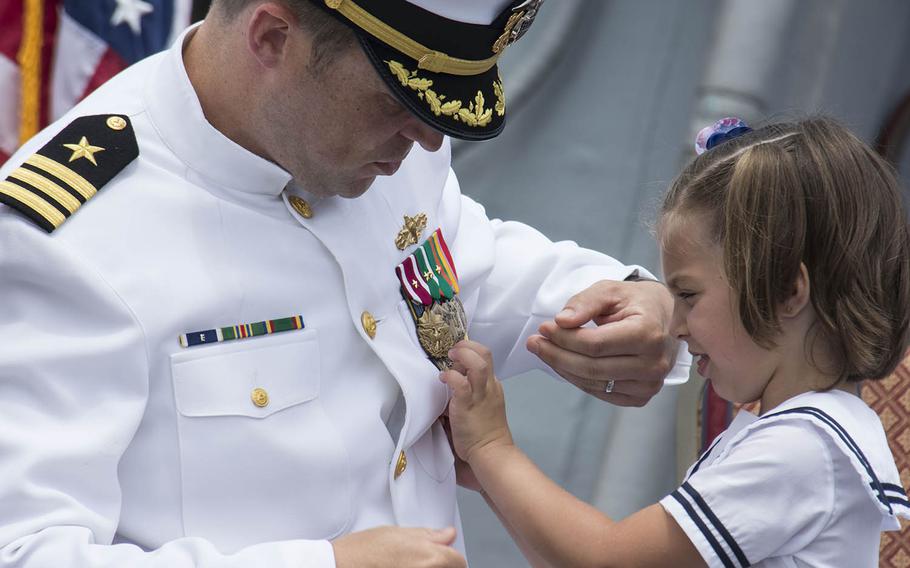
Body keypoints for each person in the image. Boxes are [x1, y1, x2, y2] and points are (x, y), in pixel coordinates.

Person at [0, 1, 689, 566]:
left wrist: (613, 295)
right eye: (396, 101)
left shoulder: (373, 144)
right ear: (272, 36)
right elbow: (27, 552)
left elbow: (444, 270)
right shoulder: (72, 238)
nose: (424, 138)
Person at [441, 117, 910, 567]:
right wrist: (490, 480)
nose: (674, 327)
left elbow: (608, 560)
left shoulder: (806, 449)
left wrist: (492, 446)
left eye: (687, 295)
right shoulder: (801, 435)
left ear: (788, 291)